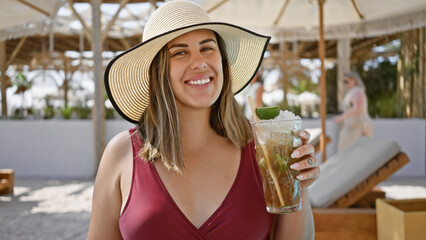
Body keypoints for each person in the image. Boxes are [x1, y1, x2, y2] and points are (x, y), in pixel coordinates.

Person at [88, 1, 319, 239]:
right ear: (159, 72)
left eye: (207, 48)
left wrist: (298, 187)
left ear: (222, 61)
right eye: (180, 52)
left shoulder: (263, 148)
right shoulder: (121, 154)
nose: (199, 62)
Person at [334, 70, 373, 151]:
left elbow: (357, 108)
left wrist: (341, 117)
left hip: (358, 127)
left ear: (354, 80)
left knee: (348, 153)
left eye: (346, 81)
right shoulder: (352, 92)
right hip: (351, 127)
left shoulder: (357, 91)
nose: (345, 84)